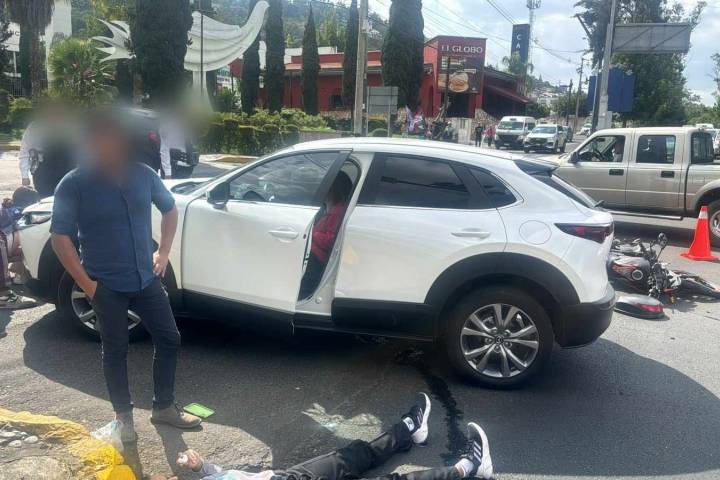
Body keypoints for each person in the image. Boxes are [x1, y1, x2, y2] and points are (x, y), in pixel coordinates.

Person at [50, 110, 201, 443]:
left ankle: (164, 407)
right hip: (106, 286)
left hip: (146, 280)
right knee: (115, 350)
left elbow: (169, 209)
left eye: (113, 137)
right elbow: (60, 238)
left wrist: (163, 252)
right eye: (100, 137)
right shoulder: (74, 183)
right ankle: (123, 420)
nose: (108, 144)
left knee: (169, 338)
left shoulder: (144, 175)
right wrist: (88, 286)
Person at [149, 393, 494, 480]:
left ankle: (409, 429)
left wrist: (203, 467)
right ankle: (468, 468)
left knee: (353, 455)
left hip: (288, 477)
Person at [298, 171, 353, 299]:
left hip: (317, 259)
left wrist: (312, 233)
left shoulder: (338, 211)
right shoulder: (330, 208)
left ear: (334, 190)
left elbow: (333, 240)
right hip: (315, 255)